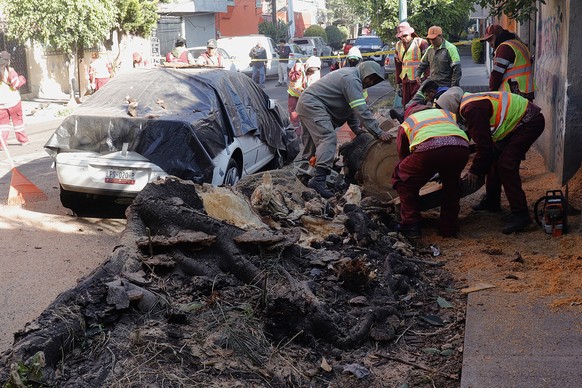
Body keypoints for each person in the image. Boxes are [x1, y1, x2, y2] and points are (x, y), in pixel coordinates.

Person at [435, 87, 545, 234]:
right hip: (519, 123)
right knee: (495, 160)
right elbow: (480, 143)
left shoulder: (471, 108)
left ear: (450, 109)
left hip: (528, 122)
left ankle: (521, 215)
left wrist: (475, 170)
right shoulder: (470, 103)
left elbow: (483, 146)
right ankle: (492, 201)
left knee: (506, 165)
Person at [296, 61, 392, 198]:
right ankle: (318, 181)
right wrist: (379, 132)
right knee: (327, 137)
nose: (371, 82)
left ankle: (304, 177)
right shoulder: (352, 79)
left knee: (312, 145)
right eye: (370, 77)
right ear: (364, 71)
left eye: (374, 81)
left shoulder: (351, 77)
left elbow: (351, 109)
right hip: (312, 104)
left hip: (306, 103)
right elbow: (361, 110)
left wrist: (357, 130)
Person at [392, 107, 470, 238]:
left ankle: (411, 225)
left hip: (429, 149)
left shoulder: (408, 122)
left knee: (402, 178)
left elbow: (403, 156)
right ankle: (449, 228)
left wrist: (417, 175)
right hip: (461, 147)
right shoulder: (445, 113)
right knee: (452, 184)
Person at [480, 24, 535, 101]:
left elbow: (496, 74)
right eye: (488, 41)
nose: (490, 44)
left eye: (491, 39)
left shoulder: (504, 48)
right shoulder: (519, 45)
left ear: (498, 35)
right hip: (526, 91)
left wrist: (492, 93)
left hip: (514, 92)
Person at [394, 22, 430, 107]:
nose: (403, 38)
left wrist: (427, 80)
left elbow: (428, 63)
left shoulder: (421, 43)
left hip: (419, 81)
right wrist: (398, 83)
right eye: (400, 36)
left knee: (417, 104)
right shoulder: (398, 45)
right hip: (405, 80)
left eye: (405, 35)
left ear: (411, 33)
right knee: (406, 105)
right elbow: (398, 65)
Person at [287, 56, 322, 140]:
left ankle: (308, 135)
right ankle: (296, 135)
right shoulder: (298, 68)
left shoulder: (316, 73)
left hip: (306, 96)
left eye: (314, 70)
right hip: (294, 95)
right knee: (294, 116)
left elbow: (314, 86)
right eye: (310, 70)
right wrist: (297, 73)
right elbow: (292, 79)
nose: (312, 72)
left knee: (308, 115)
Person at [0, 51, 29, 147]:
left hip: (1, 104)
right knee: (18, 122)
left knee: (3, 124)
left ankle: (2, 144)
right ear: (8, 61)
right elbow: (16, 84)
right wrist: (22, 78)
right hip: (13, 101)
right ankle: (23, 140)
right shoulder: (10, 71)